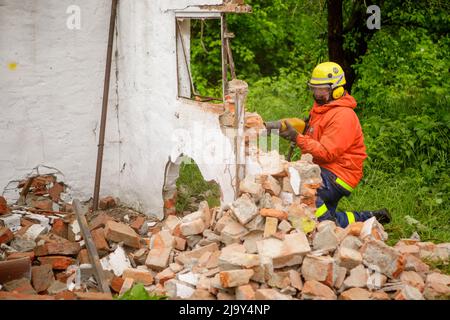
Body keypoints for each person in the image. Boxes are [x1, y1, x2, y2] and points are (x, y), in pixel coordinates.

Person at [265, 62, 390, 228]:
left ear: (336, 89)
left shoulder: (343, 115)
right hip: (326, 169)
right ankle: (369, 218)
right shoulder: (323, 108)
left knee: (301, 187)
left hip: (339, 174)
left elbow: (326, 153)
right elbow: (311, 128)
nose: (316, 93)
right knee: (319, 215)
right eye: (314, 88)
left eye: (321, 89)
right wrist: (280, 125)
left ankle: (326, 227)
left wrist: (298, 138)